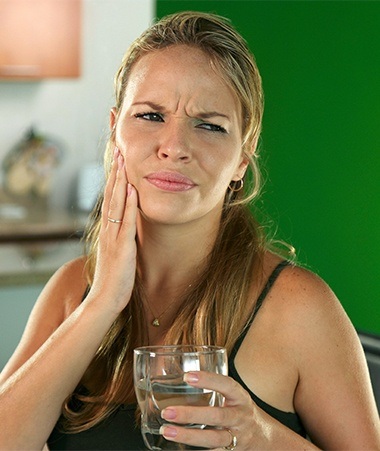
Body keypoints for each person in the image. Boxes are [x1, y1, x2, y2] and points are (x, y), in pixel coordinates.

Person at [0, 11, 379, 451]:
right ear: (114, 131)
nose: (175, 146)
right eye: (150, 116)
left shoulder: (299, 309)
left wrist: (262, 436)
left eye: (209, 125)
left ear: (243, 156)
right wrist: (102, 303)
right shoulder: (72, 291)